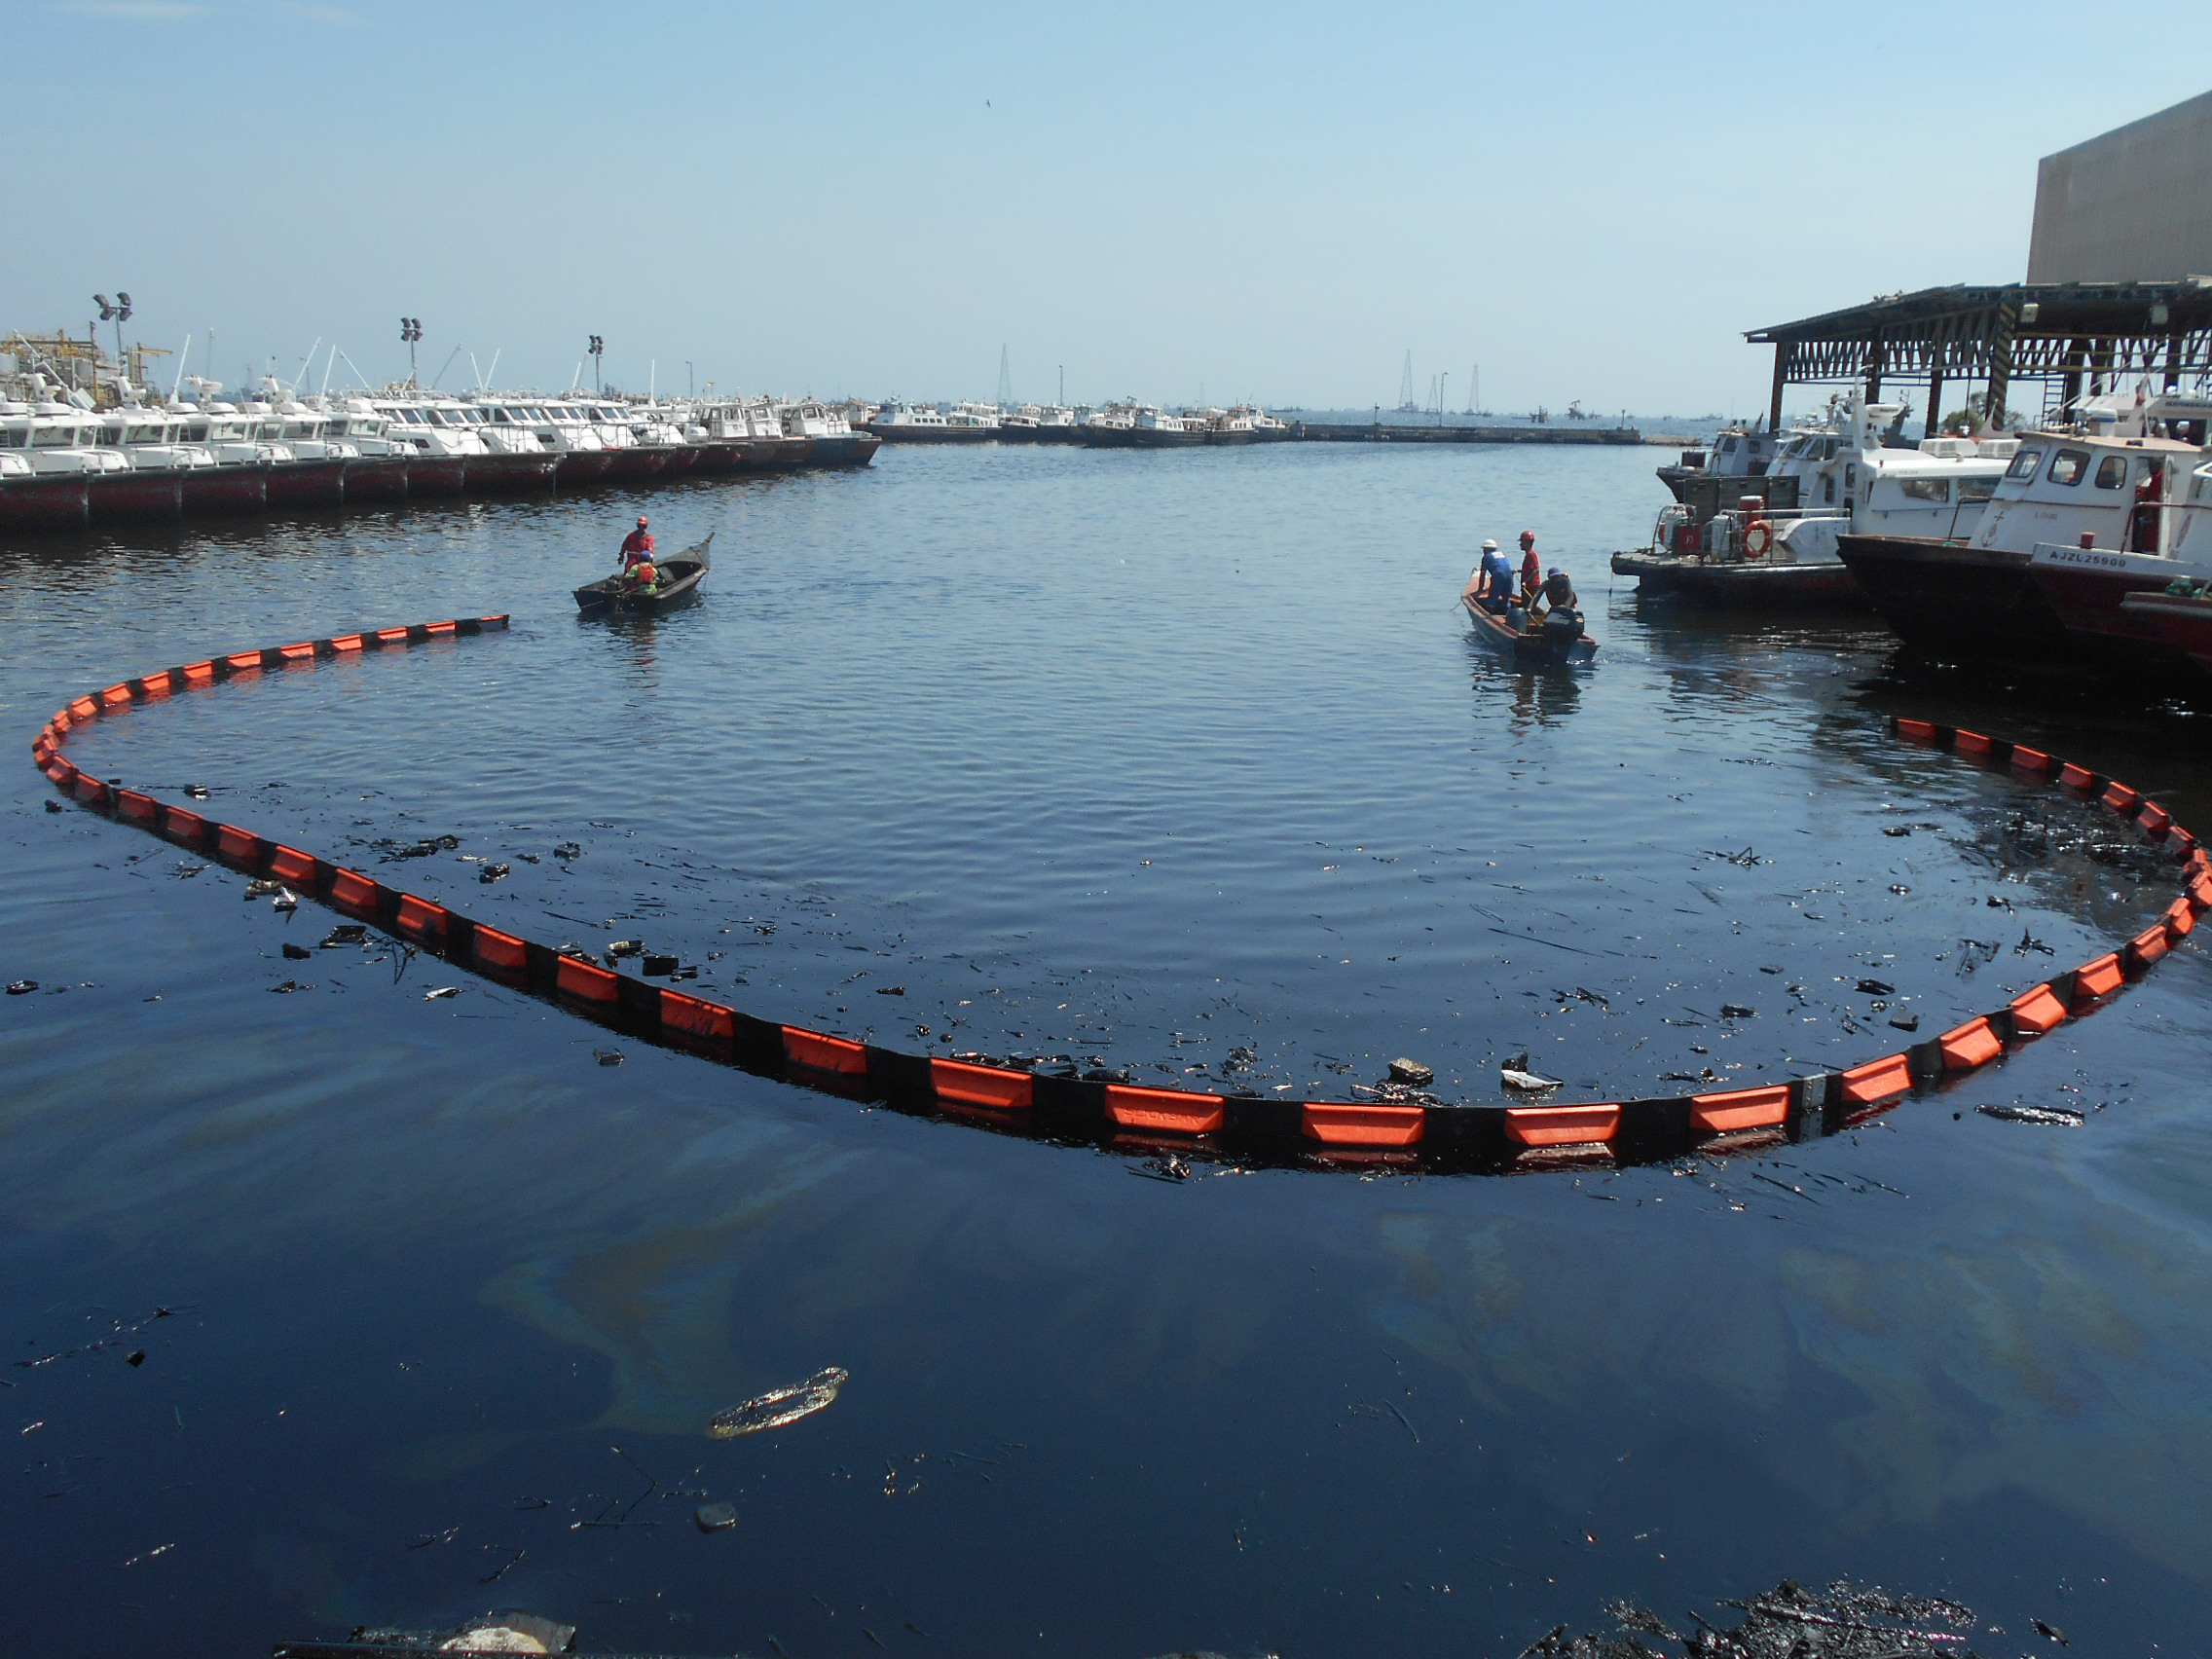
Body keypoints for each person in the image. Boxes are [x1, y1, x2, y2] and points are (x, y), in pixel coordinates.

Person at [1466, 537, 1515, 614]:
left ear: (1487, 549)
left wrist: (1480, 590)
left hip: (1499, 575)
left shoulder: (1486, 557)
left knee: (1492, 598)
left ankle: (1490, 614)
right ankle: (1506, 615)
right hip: (1510, 576)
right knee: (1506, 599)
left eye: (1484, 549)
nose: (1483, 551)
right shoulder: (1502, 554)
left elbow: (1482, 575)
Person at [1517, 531, 1541, 602]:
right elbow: (1529, 570)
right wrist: (1519, 571)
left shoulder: (1531, 554)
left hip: (1531, 587)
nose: (1520, 544)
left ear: (1527, 543)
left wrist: (1526, 582)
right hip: (1528, 586)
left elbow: (1536, 570)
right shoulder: (1528, 555)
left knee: (1528, 605)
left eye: (1522, 542)